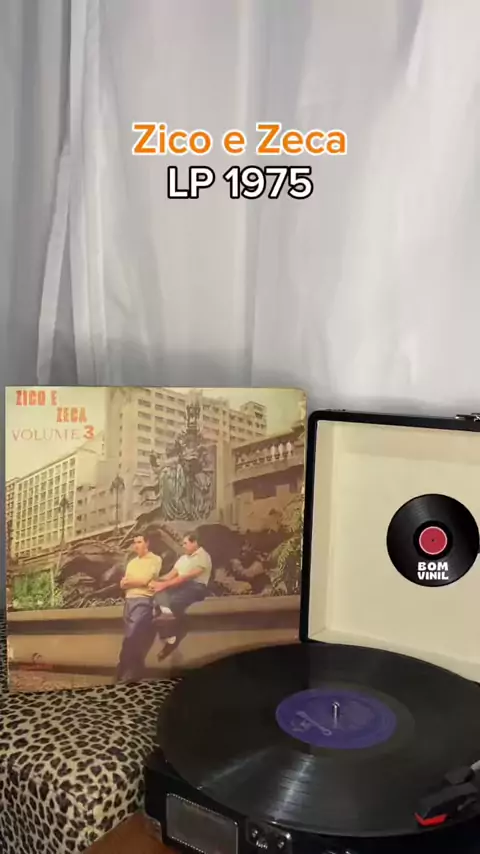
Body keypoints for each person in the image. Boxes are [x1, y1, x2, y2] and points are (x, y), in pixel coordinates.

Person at [150, 532, 212, 655]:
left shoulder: (203, 557)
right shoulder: (183, 558)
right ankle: (167, 632)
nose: (183, 546)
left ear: (194, 543)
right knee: (158, 599)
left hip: (196, 587)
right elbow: (170, 575)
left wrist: (164, 585)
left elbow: (185, 577)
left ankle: (180, 631)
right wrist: (155, 581)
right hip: (181, 585)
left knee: (174, 602)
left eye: (185, 543)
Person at [116, 532, 162, 682]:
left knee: (133, 634)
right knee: (129, 635)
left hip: (143, 600)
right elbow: (122, 583)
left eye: (139, 542)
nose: (136, 545)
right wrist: (132, 582)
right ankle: (128, 669)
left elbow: (145, 580)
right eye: (135, 542)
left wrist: (131, 582)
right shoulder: (132, 563)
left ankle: (127, 670)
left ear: (147, 543)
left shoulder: (155, 559)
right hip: (129, 600)